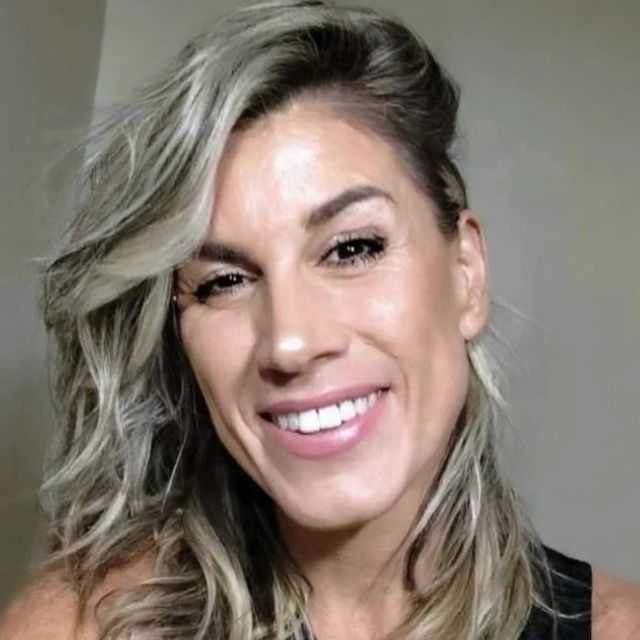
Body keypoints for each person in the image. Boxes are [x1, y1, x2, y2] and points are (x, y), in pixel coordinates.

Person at [1, 1, 639, 638]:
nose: (290, 341)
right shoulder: (74, 625)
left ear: (465, 275)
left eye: (353, 248)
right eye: (223, 281)